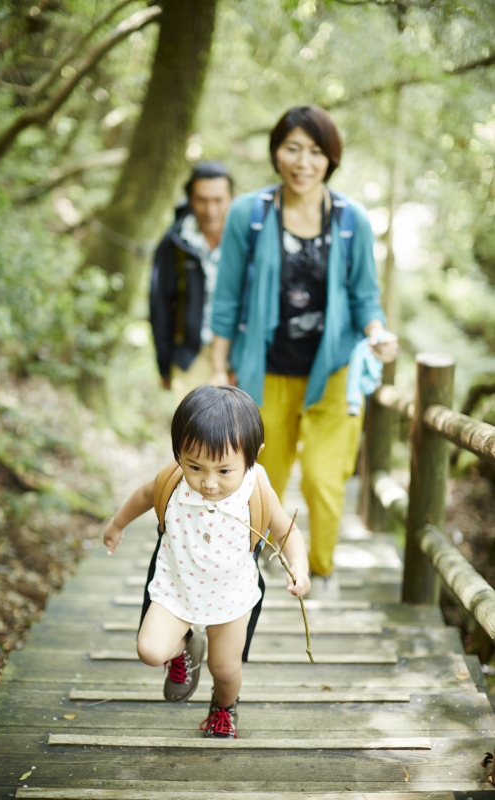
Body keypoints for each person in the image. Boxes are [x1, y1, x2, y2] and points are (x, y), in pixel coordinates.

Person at [211, 105, 397, 598]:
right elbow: (226, 298)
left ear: (331, 158)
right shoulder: (248, 215)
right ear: (276, 152)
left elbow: (364, 297)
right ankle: (248, 562)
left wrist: (377, 332)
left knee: (322, 478)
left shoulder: (351, 220)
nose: (303, 161)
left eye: (315, 151)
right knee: (256, 477)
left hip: (331, 369)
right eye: (292, 147)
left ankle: (320, 568)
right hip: (262, 369)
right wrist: (216, 369)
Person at [103, 384, 310, 739]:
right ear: (179, 452)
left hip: (230, 596)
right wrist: (117, 523)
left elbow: (287, 531)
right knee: (150, 651)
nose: (208, 483)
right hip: (176, 587)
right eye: (195, 466)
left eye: (224, 471)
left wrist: (300, 569)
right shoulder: (174, 480)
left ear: (253, 456)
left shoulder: (254, 488)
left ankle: (224, 708)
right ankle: (183, 650)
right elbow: (143, 495)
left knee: (225, 669)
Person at [149, 161, 234, 401]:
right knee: (192, 436)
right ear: (190, 199)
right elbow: (159, 305)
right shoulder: (174, 243)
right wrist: (164, 364)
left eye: (218, 200)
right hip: (189, 356)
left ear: (230, 198)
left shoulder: (244, 240)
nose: (211, 210)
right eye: (202, 200)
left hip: (235, 356)